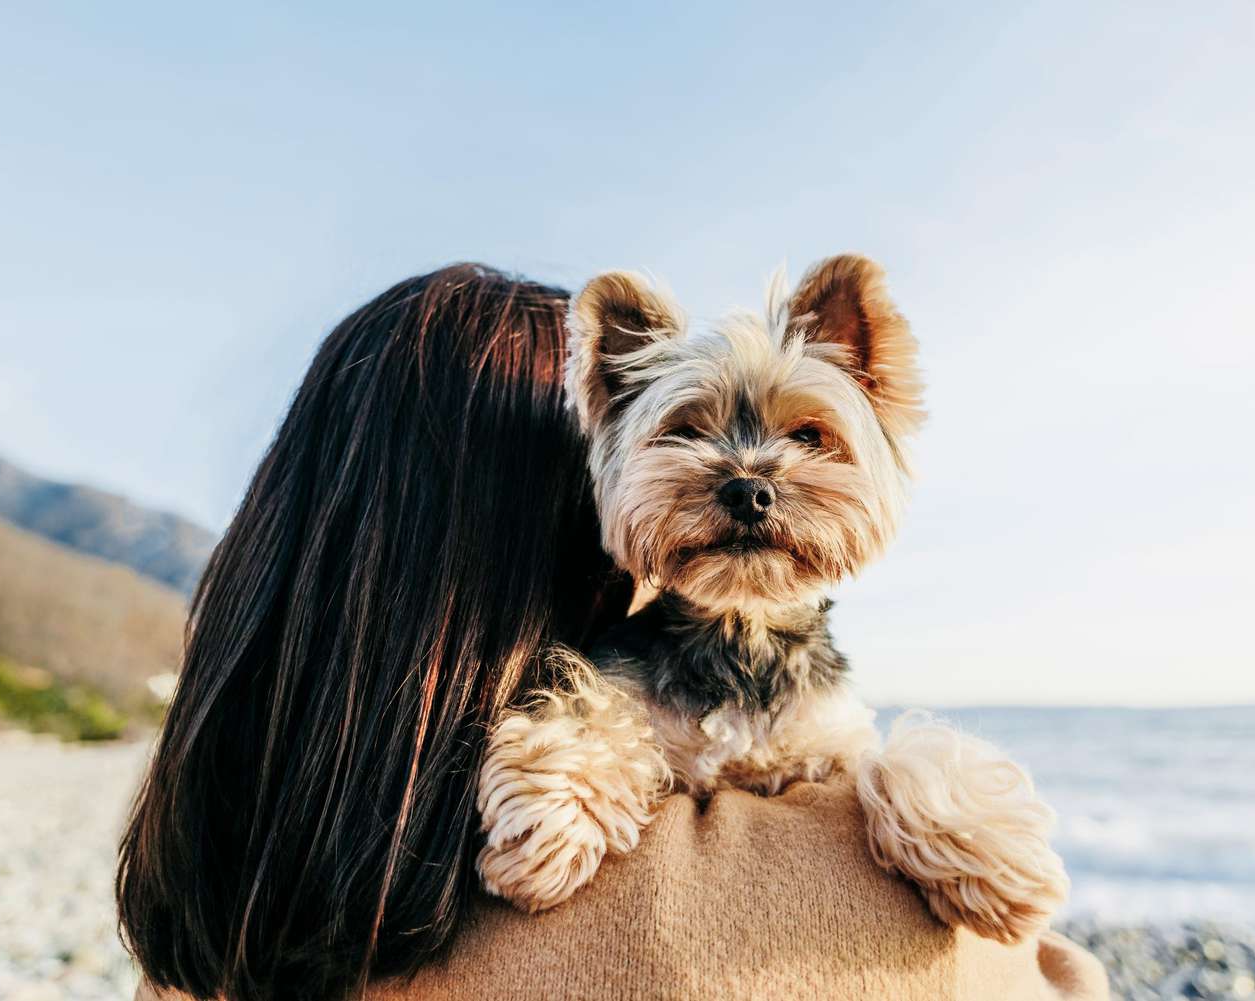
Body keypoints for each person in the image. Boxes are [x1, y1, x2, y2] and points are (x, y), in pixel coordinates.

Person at [120, 264, 1106, 1001]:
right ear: (576, 502)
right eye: (684, 434)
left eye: (808, 437)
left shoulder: (201, 873)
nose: (750, 476)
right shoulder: (798, 902)